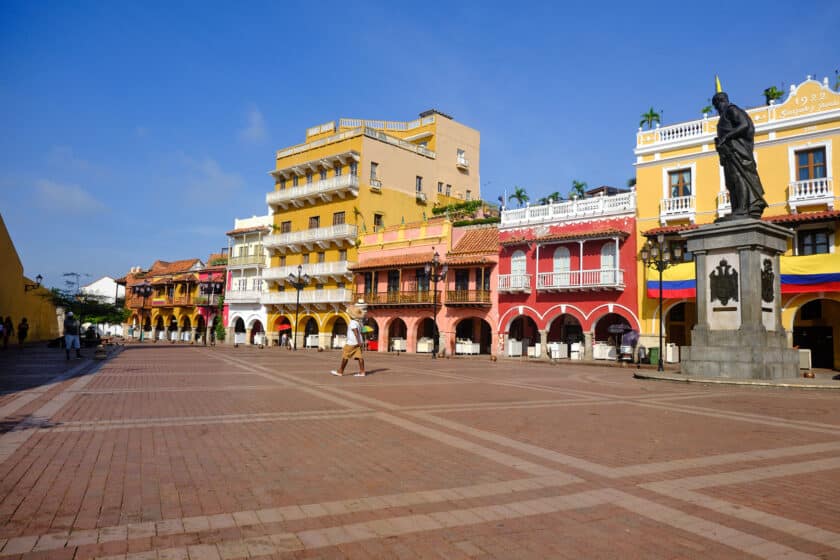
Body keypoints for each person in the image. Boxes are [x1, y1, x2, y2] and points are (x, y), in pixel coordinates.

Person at [713, 89, 768, 220]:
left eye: (716, 106)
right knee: (731, 181)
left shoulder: (732, 110)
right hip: (729, 153)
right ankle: (737, 209)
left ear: (721, 102)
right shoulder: (725, 115)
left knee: (738, 178)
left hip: (738, 152)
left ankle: (742, 209)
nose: (717, 110)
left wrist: (726, 136)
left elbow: (744, 125)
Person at [331, 303, 367, 377]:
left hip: (352, 343)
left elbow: (356, 333)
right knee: (359, 357)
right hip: (358, 342)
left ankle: (340, 371)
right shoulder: (359, 323)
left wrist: (359, 342)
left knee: (345, 356)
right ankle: (362, 372)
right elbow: (361, 332)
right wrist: (360, 342)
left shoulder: (353, 323)